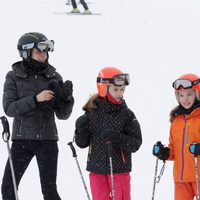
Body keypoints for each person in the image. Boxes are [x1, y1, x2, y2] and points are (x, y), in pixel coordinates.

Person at [1, 32, 74, 200]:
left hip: (47, 141)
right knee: (8, 188)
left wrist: (67, 100)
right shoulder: (13, 76)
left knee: (50, 192)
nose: (44, 55)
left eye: (46, 51)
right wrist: (36, 99)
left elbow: (63, 115)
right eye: (39, 51)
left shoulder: (54, 76)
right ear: (26, 53)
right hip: (22, 140)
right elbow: (9, 108)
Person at [74, 67, 142, 200]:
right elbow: (82, 143)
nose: (119, 93)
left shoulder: (127, 114)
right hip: (96, 169)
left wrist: (117, 138)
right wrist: (80, 128)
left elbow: (135, 143)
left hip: (119, 170)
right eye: (115, 89)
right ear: (103, 88)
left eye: (122, 89)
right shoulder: (92, 112)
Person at [152, 73, 200, 200]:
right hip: (181, 178)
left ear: (197, 93)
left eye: (189, 94)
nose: (185, 99)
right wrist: (164, 153)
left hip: (198, 175)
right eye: (181, 95)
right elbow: (174, 150)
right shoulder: (176, 120)